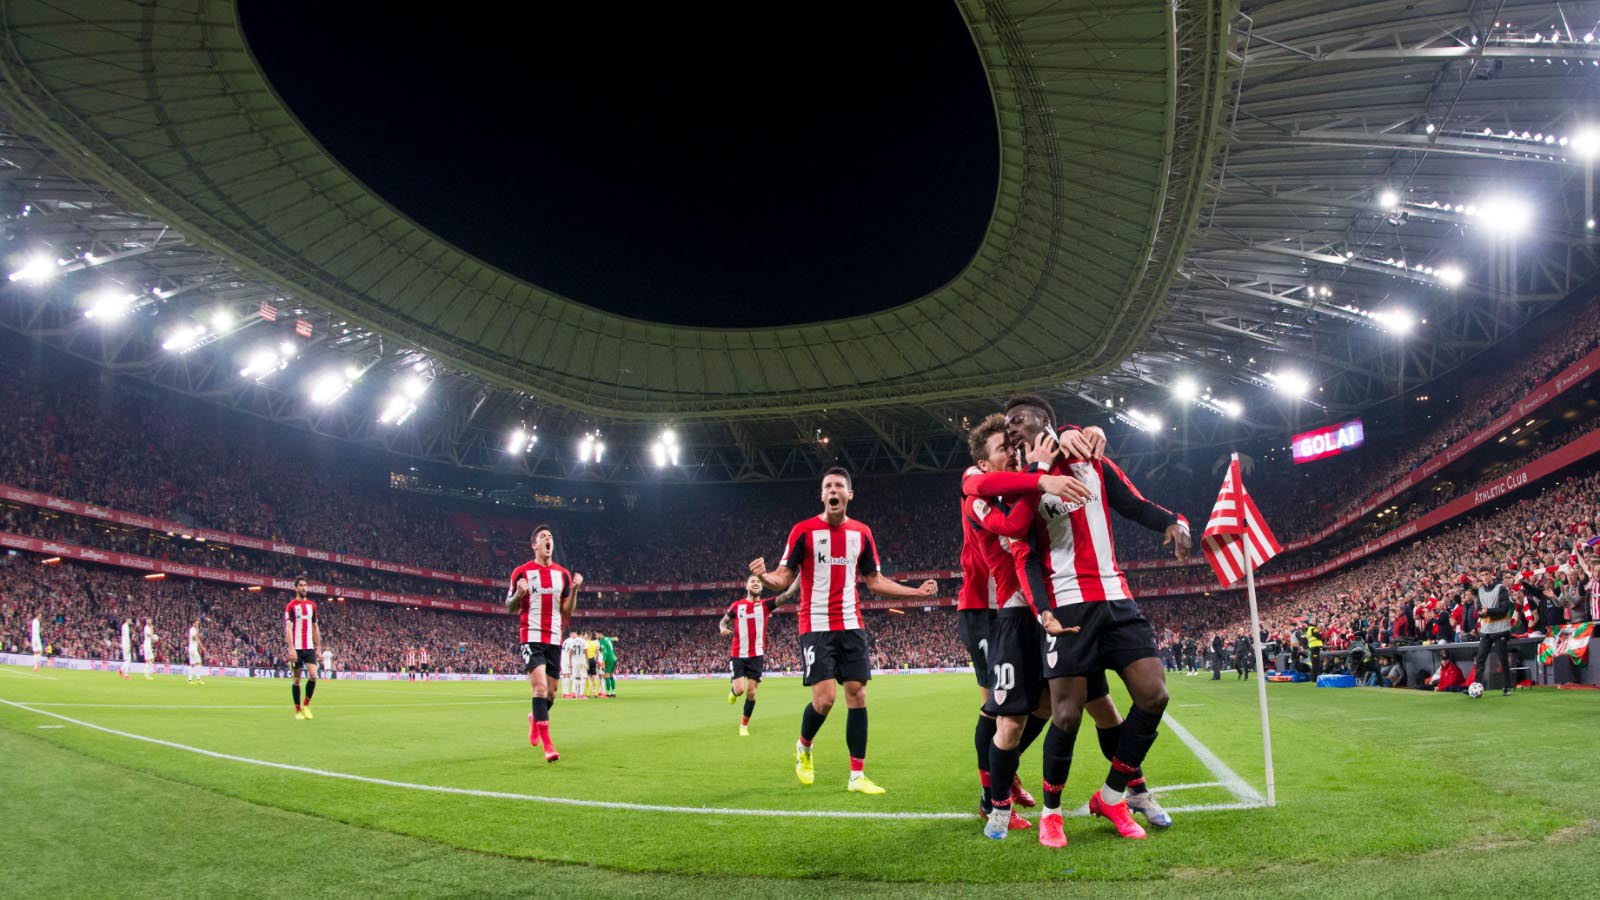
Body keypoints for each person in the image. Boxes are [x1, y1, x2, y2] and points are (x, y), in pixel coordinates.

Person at [962, 393, 1191, 843]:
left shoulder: (1090, 458)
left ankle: (1122, 792)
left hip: (1112, 598)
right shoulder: (1017, 485)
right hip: (1048, 608)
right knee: (1039, 715)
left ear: (1046, 421)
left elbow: (1134, 503)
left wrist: (1172, 520)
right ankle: (1005, 800)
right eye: (1005, 429)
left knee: (1133, 700)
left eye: (1018, 421)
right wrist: (1044, 607)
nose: (1011, 429)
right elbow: (1022, 548)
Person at [750, 466, 938, 795]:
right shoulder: (803, 531)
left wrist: (916, 593)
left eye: (839, 486)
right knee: (825, 700)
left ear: (849, 494)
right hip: (815, 624)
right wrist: (765, 577)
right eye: (828, 486)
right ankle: (804, 747)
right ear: (822, 495)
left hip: (851, 623)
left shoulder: (862, 534)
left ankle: (857, 776)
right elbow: (783, 577)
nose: (833, 490)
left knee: (857, 694)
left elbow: (875, 581)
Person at [506, 525, 582, 762]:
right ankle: (548, 746)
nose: (548, 539)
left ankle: (535, 718)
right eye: (543, 537)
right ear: (534, 545)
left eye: (550, 537)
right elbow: (509, 607)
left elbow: (567, 610)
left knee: (551, 693)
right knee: (539, 688)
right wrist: (518, 595)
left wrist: (575, 590)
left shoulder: (563, 575)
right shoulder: (521, 572)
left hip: (554, 639)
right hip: (531, 636)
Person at [718, 575, 795, 735]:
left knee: (751, 692)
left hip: (756, 655)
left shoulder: (766, 605)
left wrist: (801, 577)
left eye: (758, 582)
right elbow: (723, 621)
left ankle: (743, 726)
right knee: (740, 690)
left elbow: (786, 595)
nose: (756, 583)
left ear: (762, 587)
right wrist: (722, 629)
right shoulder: (737, 606)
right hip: (738, 654)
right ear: (746, 586)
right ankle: (733, 692)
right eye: (752, 581)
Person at [1471, 568, 1517, 696]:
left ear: (1491, 575)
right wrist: (1481, 613)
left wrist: (1487, 611)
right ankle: (1476, 686)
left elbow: (1504, 609)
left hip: (1500, 629)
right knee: (1480, 660)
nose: (1485, 577)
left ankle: (1507, 687)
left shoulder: (1501, 588)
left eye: (1487, 574)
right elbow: (1479, 609)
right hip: (1486, 630)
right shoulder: (1480, 590)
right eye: (1482, 575)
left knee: (1503, 660)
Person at [284, 576, 321, 719]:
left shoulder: (312, 606)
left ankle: (306, 705)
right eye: (301, 585)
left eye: (305, 585)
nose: (304, 587)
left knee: (313, 675)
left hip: (309, 647)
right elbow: (288, 629)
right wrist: (291, 649)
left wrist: (318, 647)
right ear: (296, 588)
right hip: (297, 648)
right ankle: (297, 710)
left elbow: (315, 627)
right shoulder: (291, 606)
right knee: (296, 680)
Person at [561, 631, 587, 699]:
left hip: (563, 658)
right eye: (574, 634)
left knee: (565, 675)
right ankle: (568, 693)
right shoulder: (572, 641)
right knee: (568, 675)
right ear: (572, 634)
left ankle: (565, 693)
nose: (575, 635)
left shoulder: (566, 640)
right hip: (568, 659)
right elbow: (572, 651)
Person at [597, 632, 617, 697]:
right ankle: (613, 692)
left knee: (607, 676)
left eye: (597, 634)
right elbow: (612, 639)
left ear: (600, 634)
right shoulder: (607, 638)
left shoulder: (602, 641)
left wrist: (603, 662)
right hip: (614, 658)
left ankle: (608, 693)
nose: (596, 636)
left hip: (608, 658)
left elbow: (605, 652)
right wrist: (615, 638)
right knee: (611, 676)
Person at [186, 620, 204, 685]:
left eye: (198, 623)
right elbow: (194, 638)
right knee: (199, 663)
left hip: (192, 649)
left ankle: (190, 680)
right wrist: (201, 646)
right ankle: (198, 679)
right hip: (193, 649)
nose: (197, 625)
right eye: (196, 623)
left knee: (192, 664)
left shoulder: (194, 630)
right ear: (193, 623)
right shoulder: (192, 630)